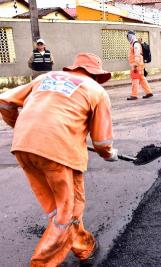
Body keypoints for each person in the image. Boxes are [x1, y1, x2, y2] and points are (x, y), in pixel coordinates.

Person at [0, 52, 118, 266]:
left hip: (22, 146)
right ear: (97, 75)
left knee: (56, 207)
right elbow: (101, 143)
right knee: (67, 213)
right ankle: (42, 263)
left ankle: (83, 246)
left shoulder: (45, 78)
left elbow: (5, 102)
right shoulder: (96, 90)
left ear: (74, 69)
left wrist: (20, 126)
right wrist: (110, 154)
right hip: (58, 152)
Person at [126, 31, 153, 101]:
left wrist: (135, 65)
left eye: (128, 36)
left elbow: (137, 54)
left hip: (136, 65)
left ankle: (134, 95)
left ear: (131, 36)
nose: (128, 38)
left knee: (135, 79)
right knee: (142, 79)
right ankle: (149, 92)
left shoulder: (135, 44)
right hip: (139, 65)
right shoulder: (135, 44)